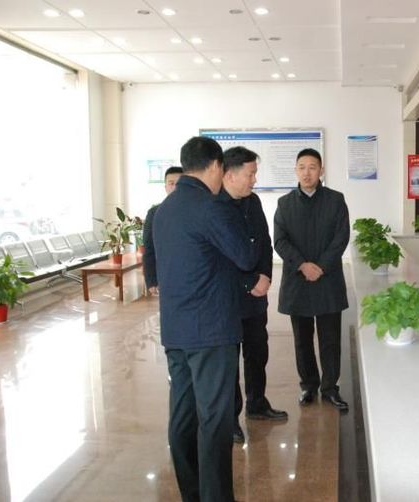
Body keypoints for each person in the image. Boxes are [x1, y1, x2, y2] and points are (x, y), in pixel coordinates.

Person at [154, 136, 258, 502]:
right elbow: (245, 257)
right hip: (211, 331)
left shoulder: (164, 209)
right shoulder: (209, 207)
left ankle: (193, 494)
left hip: (176, 330)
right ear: (215, 166)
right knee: (214, 421)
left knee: (183, 417)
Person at [219, 146, 288, 445]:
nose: (254, 180)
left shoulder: (253, 201)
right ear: (230, 175)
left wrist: (265, 277)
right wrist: (249, 282)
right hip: (230, 297)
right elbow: (220, 257)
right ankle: (230, 419)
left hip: (256, 296)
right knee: (229, 361)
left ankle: (257, 403)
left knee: (258, 352)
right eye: (250, 174)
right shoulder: (215, 206)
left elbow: (264, 242)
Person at [274, 148, 351, 411]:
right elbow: (280, 241)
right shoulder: (285, 204)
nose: (307, 173)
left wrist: (321, 266)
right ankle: (308, 385)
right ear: (295, 170)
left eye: (312, 167)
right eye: (302, 167)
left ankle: (330, 388)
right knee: (302, 339)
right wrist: (303, 265)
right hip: (298, 280)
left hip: (327, 279)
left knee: (330, 338)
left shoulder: (336, 200)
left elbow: (341, 237)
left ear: (321, 171)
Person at [143, 165, 183, 295]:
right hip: (166, 274)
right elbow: (149, 248)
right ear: (165, 187)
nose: (175, 187)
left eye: (179, 183)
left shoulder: (196, 210)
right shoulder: (154, 213)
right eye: (171, 183)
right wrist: (151, 280)